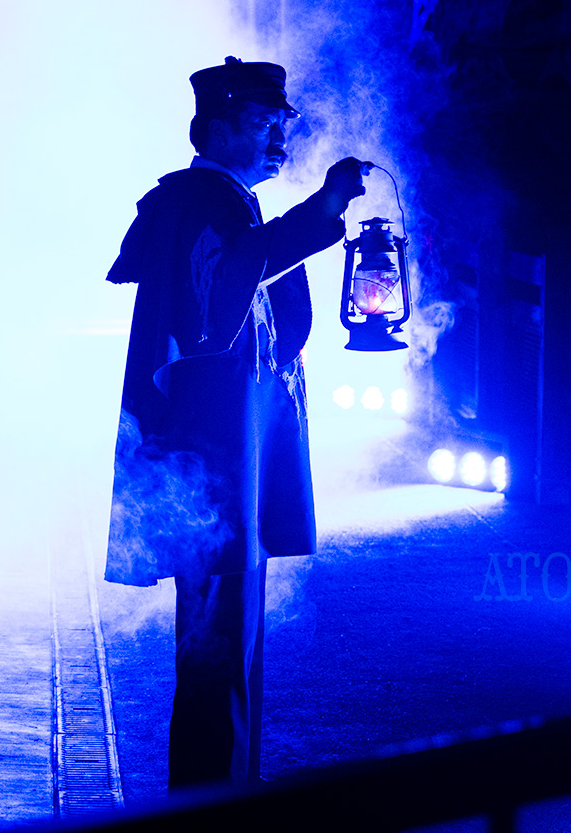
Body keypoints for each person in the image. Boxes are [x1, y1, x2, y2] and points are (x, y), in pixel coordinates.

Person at [104, 56, 366, 789]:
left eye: (283, 122)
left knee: (229, 652)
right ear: (217, 130)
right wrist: (323, 209)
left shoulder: (221, 201)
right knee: (217, 655)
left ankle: (224, 802)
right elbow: (219, 306)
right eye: (262, 122)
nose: (280, 135)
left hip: (223, 463)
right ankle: (208, 811)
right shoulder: (199, 201)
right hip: (210, 468)